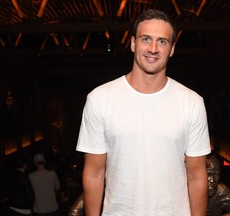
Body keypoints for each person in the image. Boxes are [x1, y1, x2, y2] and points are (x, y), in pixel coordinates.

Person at [76, 9, 211, 216]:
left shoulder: (192, 102)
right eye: (146, 39)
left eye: (162, 42)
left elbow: (197, 175)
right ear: (132, 43)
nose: (153, 48)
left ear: (172, 49)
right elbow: (94, 172)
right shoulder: (100, 99)